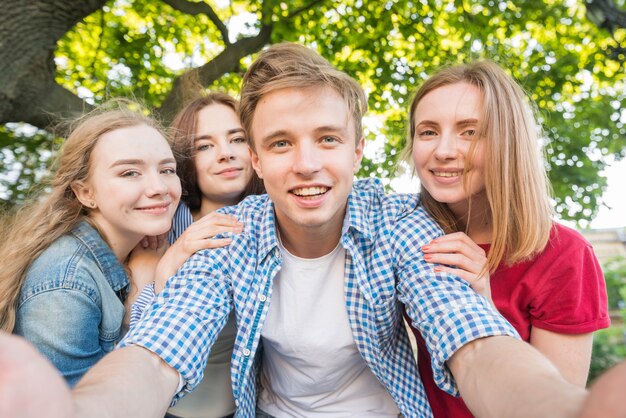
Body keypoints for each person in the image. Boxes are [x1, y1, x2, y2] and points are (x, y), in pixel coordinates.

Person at [64, 43, 586, 418]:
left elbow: (472, 341)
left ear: (357, 150)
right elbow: (159, 353)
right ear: (257, 160)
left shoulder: (399, 222)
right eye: (282, 143)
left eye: (328, 139)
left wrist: (565, 409)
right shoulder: (230, 234)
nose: (307, 164)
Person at [402, 61, 610, 417]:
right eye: (428, 132)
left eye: (469, 132)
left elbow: (551, 401)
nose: (443, 150)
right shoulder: (409, 237)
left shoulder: (565, 255)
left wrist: (482, 304)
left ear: (507, 141)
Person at [0, 105, 181, 386]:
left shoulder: (141, 248)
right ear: (85, 193)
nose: (159, 187)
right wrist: (138, 299)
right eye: (130, 173)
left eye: (167, 169)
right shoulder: (66, 283)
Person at [129, 92, 264, 418]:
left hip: (253, 407)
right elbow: (133, 338)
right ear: (184, 160)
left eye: (237, 139)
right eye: (205, 146)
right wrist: (167, 268)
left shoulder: (278, 221)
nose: (225, 154)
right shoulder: (157, 229)